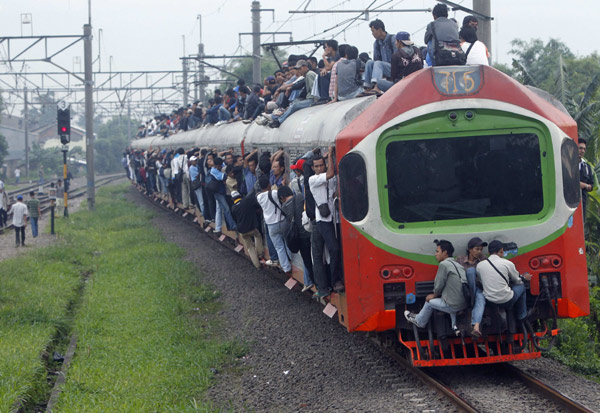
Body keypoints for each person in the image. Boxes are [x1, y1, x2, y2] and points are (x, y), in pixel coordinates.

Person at [405, 240, 467, 335]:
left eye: (437, 251)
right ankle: (454, 327)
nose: (435, 254)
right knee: (452, 301)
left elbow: (439, 284)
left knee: (429, 301)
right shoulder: (458, 265)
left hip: (453, 305)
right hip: (463, 303)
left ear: (445, 252)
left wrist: (434, 295)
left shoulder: (444, 264)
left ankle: (420, 321)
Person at [309, 147, 343, 297]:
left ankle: (337, 278)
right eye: (317, 166)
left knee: (336, 250)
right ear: (312, 168)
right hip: (323, 220)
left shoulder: (331, 179)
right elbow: (330, 173)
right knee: (333, 249)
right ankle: (334, 281)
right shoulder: (313, 179)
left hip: (335, 217)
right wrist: (330, 154)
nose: (320, 168)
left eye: (321, 165)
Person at [476, 240, 532, 324]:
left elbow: (482, 281)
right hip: (507, 301)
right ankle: (522, 315)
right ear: (502, 250)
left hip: (490, 302)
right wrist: (525, 278)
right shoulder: (507, 263)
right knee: (522, 286)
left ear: (488, 252)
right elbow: (517, 280)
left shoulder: (479, 265)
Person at [278, 185, 315, 292]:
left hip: (301, 238)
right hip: (310, 231)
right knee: (318, 258)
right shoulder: (300, 197)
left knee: (307, 261)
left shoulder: (284, 208)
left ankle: (314, 281)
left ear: (282, 198)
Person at [256, 174, 292, 274]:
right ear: (269, 184)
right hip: (282, 221)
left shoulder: (259, 197)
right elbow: (284, 195)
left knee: (279, 247)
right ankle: (292, 260)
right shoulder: (275, 193)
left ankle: (286, 267)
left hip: (271, 225)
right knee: (286, 241)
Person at [456, 237, 488, 337]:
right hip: (465, 290)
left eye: (481, 250)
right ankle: (472, 300)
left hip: (478, 288)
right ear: (470, 249)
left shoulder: (484, 260)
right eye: (477, 249)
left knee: (481, 298)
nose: (479, 252)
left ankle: (476, 326)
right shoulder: (460, 260)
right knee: (471, 271)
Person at [362, 19, 398, 94]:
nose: (372, 34)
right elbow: (376, 59)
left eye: (373, 31)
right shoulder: (377, 43)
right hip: (383, 68)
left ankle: (377, 87)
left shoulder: (393, 39)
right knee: (369, 62)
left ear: (380, 30)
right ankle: (368, 88)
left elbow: (397, 57)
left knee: (378, 63)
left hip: (394, 68)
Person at [231, 190, 265, 269]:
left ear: (233, 199)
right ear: (240, 196)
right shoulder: (247, 201)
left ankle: (257, 266)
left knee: (249, 248)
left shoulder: (233, 208)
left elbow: (235, 219)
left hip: (242, 231)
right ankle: (260, 254)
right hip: (252, 227)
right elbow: (257, 206)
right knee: (258, 236)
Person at [208, 157, 237, 233]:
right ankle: (232, 225)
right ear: (216, 165)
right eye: (219, 166)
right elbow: (223, 176)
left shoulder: (220, 165)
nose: (221, 167)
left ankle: (219, 227)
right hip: (218, 193)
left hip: (222, 191)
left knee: (220, 209)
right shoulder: (213, 171)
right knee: (226, 209)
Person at [578, 138, 595, 221]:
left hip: (582, 203)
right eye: (580, 148)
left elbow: (592, 186)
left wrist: (585, 185)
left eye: (584, 149)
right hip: (568, 203)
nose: (583, 151)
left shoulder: (587, 167)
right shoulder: (567, 165)